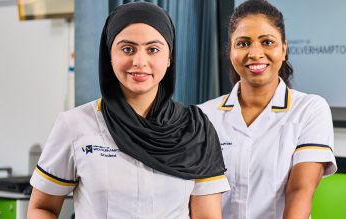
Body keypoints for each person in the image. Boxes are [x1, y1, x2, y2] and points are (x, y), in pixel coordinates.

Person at [27, 2, 229, 218]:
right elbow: (42, 207)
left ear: (169, 57)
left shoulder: (197, 130)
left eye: (153, 49)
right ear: (109, 56)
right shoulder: (75, 125)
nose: (139, 61)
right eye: (127, 49)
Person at [198, 0, 337, 218]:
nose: (255, 53)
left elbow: (300, 192)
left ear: (284, 49)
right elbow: (199, 197)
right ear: (230, 52)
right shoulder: (203, 116)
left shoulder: (309, 109)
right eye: (243, 43)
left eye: (267, 42)